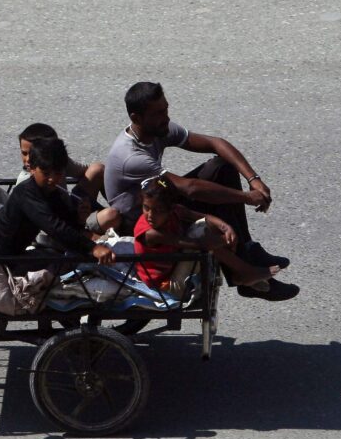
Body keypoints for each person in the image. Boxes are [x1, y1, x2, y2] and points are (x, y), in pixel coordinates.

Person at [104, 81, 298, 301]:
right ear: (136, 118)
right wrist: (246, 198)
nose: (166, 117)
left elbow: (215, 143)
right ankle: (244, 268)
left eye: (166, 109)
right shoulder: (131, 155)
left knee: (222, 167)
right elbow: (190, 189)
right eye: (159, 113)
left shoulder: (158, 129)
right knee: (211, 195)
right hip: (142, 220)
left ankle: (247, 250)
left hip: (159, 201)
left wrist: (254, 179)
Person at [0, 137, 115, 266]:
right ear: (32, 169)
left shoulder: (53, 192)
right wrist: (93, 248)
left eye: (58, 173)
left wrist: (79, 218)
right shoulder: (26, 193)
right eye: (46, 173)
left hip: (14, 254)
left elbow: (66, 224)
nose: (52, 179)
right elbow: (55, 227)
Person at [134, 175, 281, 298]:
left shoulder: (175, 211)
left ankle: (241, 272)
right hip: (166, 288)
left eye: (158, 210)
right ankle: (244, 272)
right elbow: (195, 244)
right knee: (201, 236)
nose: (150, 215)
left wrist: (226, 228)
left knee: (205, 227)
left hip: (173, 270)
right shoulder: (151, 233)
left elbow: (204, 216)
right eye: (146, 208)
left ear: (171, 209)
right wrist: (225, 240)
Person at [16, 123, 121, 235]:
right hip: (56, 228)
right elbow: (50, 226)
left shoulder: (57, 160)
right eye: (24, 153)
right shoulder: (27, 186)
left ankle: (125, 210)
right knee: (112, 216)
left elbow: (84, 170)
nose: (27, 159)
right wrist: (82, 227)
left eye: (58, 173)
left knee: (97, 169)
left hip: (71, 212)